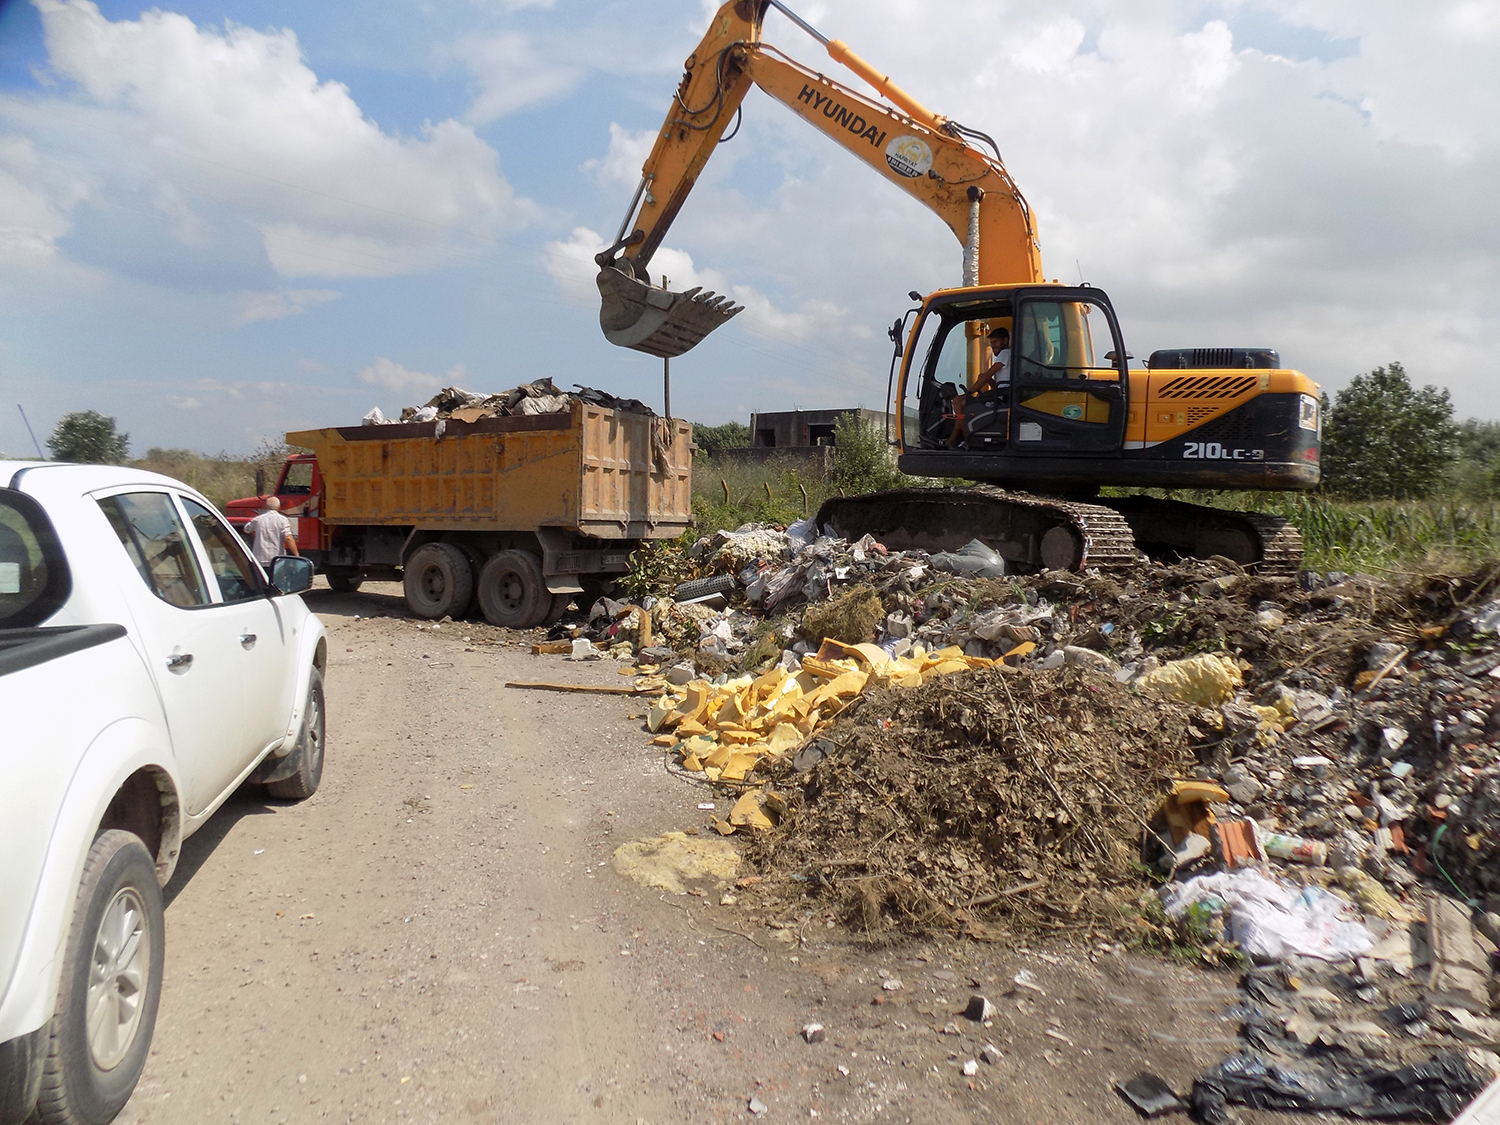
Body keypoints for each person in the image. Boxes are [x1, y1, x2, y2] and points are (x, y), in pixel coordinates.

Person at [947, 326, 1010, 449]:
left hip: (1002, 400)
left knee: (960, 404)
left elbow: (988, 375)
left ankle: (967, 439)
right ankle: (954, 440)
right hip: (1001, 394)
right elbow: (998, 383)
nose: (993, 346)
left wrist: (968, 392)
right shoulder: (1007, 356)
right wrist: (989, 381)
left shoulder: (1005, 353)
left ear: (1005, 340)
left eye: (995, 342)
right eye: (991, 343)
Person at [244, 496, 298, 568]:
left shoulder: (258, 519)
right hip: (277, 560)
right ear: (279, 507)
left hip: (259, 559)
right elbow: (288, 538)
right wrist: (297, 555)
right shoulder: (283, 520)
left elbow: (247, 529)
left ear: (266, 506)